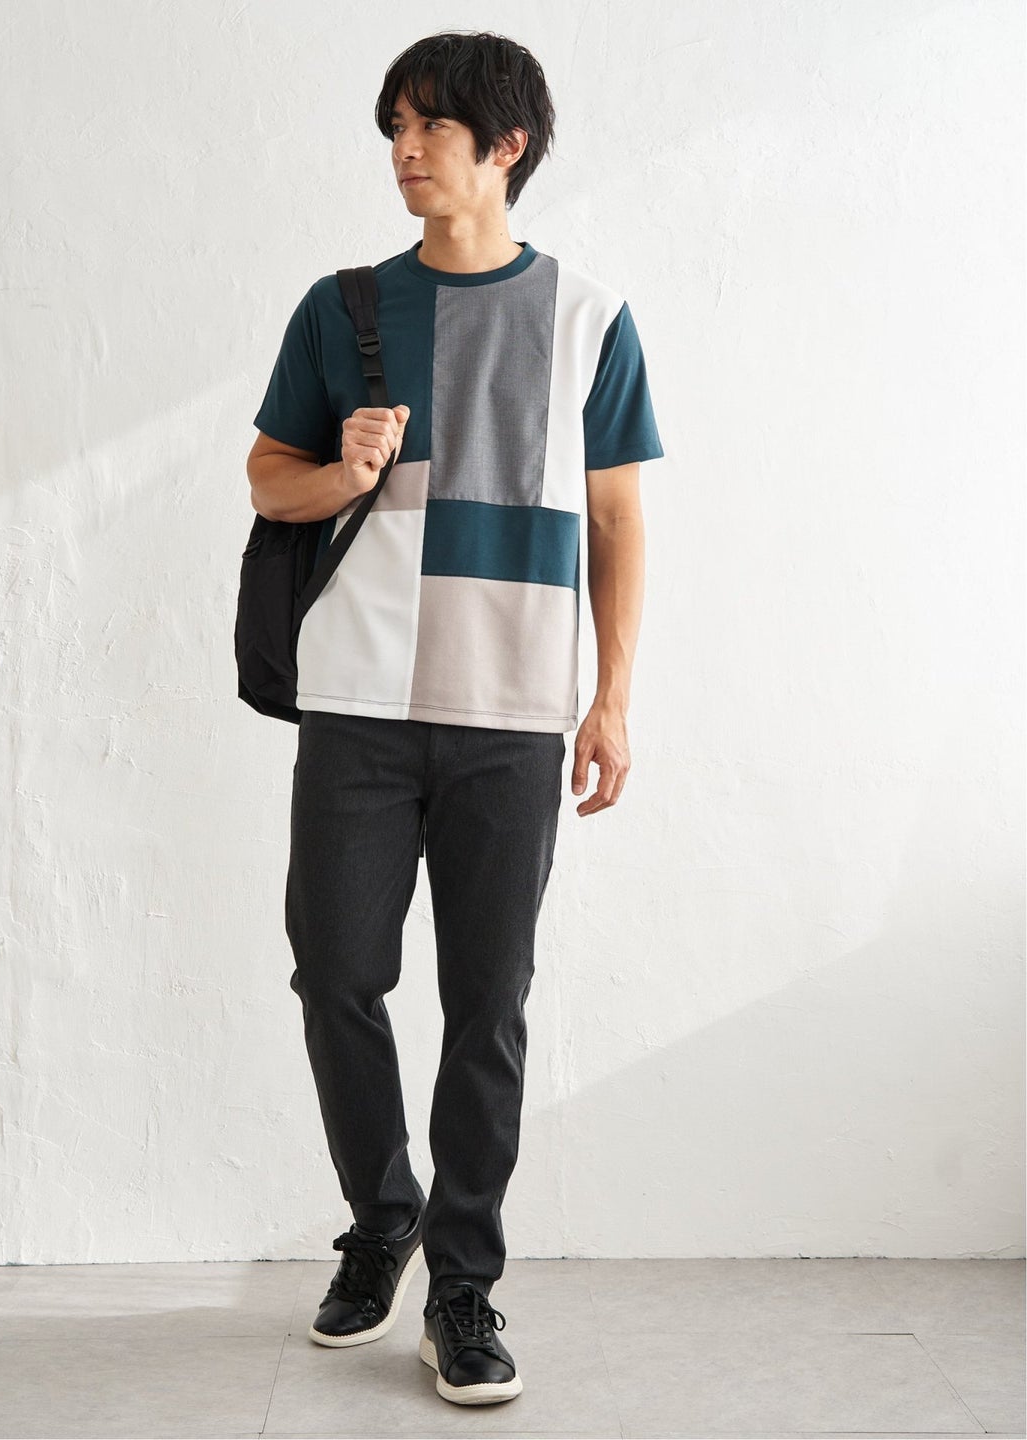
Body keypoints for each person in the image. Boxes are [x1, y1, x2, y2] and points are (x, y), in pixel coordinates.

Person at [246, 29, 663, 1407]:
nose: (405, 151)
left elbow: (617, 519)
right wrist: (340, 469)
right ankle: (385, 1219)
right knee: (333, 971)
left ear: (508, 146)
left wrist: (610, 697)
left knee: (489, 1003)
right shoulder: (344, 308)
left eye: (430, 126)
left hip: (512, 712)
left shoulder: (591, 319)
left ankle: (464, 1291)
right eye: (395, 128)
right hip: (359, 702)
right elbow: (268, 478)